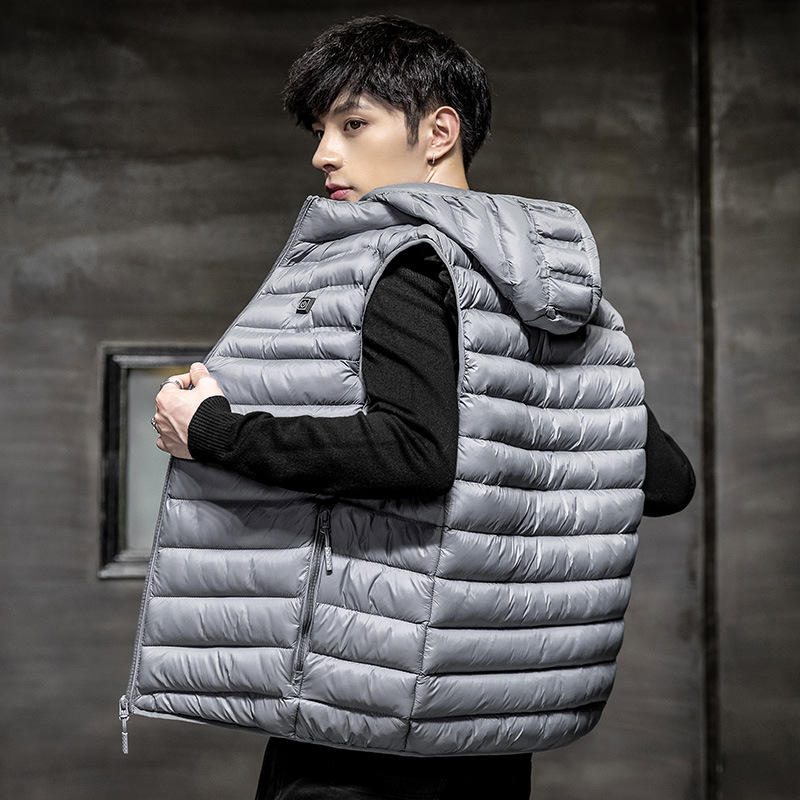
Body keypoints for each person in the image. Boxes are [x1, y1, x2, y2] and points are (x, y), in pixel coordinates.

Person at [138, 15, 695, 800]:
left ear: (438, 132)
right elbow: (666, 481)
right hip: (492, 730)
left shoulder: (403, 263)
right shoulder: (550, 290)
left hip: (371, 718)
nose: (323, 152)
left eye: (352, 123)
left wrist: (214, 432)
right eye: (320, 129)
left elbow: (416, 455)